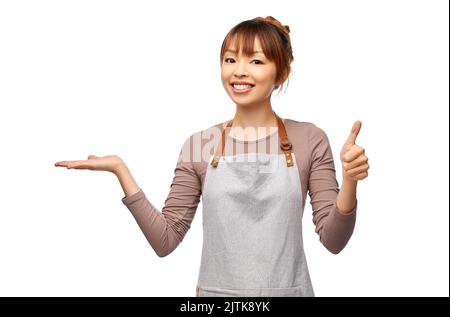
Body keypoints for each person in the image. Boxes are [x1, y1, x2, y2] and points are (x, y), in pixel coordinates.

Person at [54, 16, 369, 297]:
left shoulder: (308, 139)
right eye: (230, 59)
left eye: (256, 61)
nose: (239, 71)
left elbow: (333, 240)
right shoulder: (200, 145)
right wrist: (120, 170)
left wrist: (351, 181)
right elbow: (165, 241)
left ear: (281, 74)